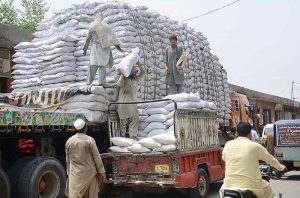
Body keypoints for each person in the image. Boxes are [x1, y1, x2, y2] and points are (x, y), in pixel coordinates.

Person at [220, 122, 286, 198]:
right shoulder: (255, 146)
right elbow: (270, 160)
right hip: (251, 187)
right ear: (250, 134)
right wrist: (281, 167)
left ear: (237, 133)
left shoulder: (228, 144)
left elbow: (224, 158)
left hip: (227, 186)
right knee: (267, 188)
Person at [65, 119, 106, 198]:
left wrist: (68, 172)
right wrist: (102, 172)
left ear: (74, 129)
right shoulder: (89, 140)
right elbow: (97, 157)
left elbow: (68, 160)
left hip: (76, 175)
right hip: (90, 174)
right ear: (85, 128)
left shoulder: (69, 141)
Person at [83, 12, 123, 86]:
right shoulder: (106, 27)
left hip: (96, 49)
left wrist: (85, 49)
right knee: (102, 66)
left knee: (93, 66)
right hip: (104, 49)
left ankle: (89, 82)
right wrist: (118, 48)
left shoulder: (92, 27)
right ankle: (102, 82)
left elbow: (88, 39)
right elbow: (112, 38)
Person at [117, 61, 145, 140]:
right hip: (123, 106)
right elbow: (119, 84)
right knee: (123, 127)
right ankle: (123, 140)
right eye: (135, 72)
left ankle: (132, 139)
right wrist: (123, 73)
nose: (136, 73)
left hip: (132, 106)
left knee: (134, 122)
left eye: (137, 72)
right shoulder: (124, 79)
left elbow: (143, 72)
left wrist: (139, 63)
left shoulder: (136, 80)